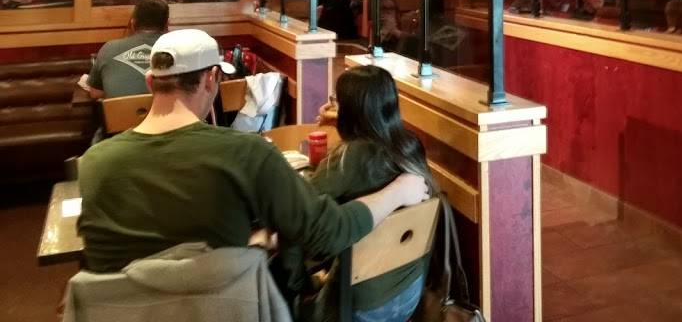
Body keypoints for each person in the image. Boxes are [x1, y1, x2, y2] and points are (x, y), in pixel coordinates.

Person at [77, 29, 428, 277]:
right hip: (223, 307)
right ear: (212, 79)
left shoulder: (93, 163)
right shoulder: (246, 152)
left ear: (150, 82)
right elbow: (326, 231)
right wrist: (398, 192)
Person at [300, 66, 435, 322]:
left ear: (349, 111)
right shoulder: (410, 146)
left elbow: (304, 205)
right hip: (410, 292)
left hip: (363, 304)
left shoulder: (347, 158)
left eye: (337, 101)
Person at [80, 0, 170, 99]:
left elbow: (95, 93)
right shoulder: (178, 50)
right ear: (167, 25)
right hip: (167, 109)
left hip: (119, 110)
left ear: (133, 23)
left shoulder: (109, 48)